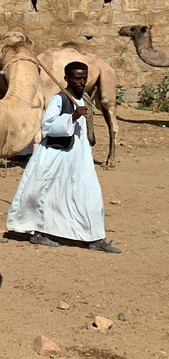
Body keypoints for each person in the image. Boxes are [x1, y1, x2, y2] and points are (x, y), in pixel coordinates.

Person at [7, 61, 121, 253]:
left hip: (80, 156)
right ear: (67, 79)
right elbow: (47, 127)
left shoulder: (84, 98)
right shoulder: (59, 99)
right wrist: (73, 117)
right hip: (57, 156)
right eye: (77, 78)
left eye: (84, 78)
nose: (82, 82)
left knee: (90, 196)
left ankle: (95, 238)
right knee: (45, 195)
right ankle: (38, 233)